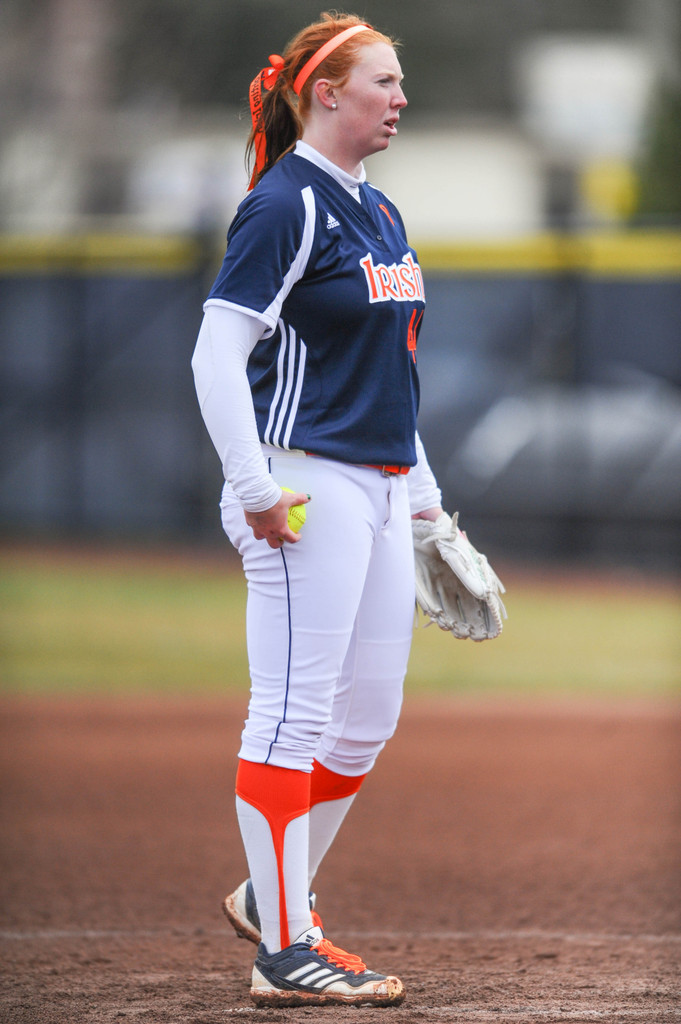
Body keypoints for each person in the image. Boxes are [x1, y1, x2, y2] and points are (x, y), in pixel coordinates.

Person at [191, 11, 443, 1008]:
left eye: (400, 82)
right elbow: (217, 349)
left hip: (379, 479)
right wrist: (254, 488)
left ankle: (270, 889)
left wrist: (424, 505)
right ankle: (286, 947)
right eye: (383, 81)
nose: (400, 97)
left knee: (365, 719)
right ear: (326, 93)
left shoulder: (376, 209)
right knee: (292, 711)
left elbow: (392, 373)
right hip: (303, 481)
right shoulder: (284, 202)